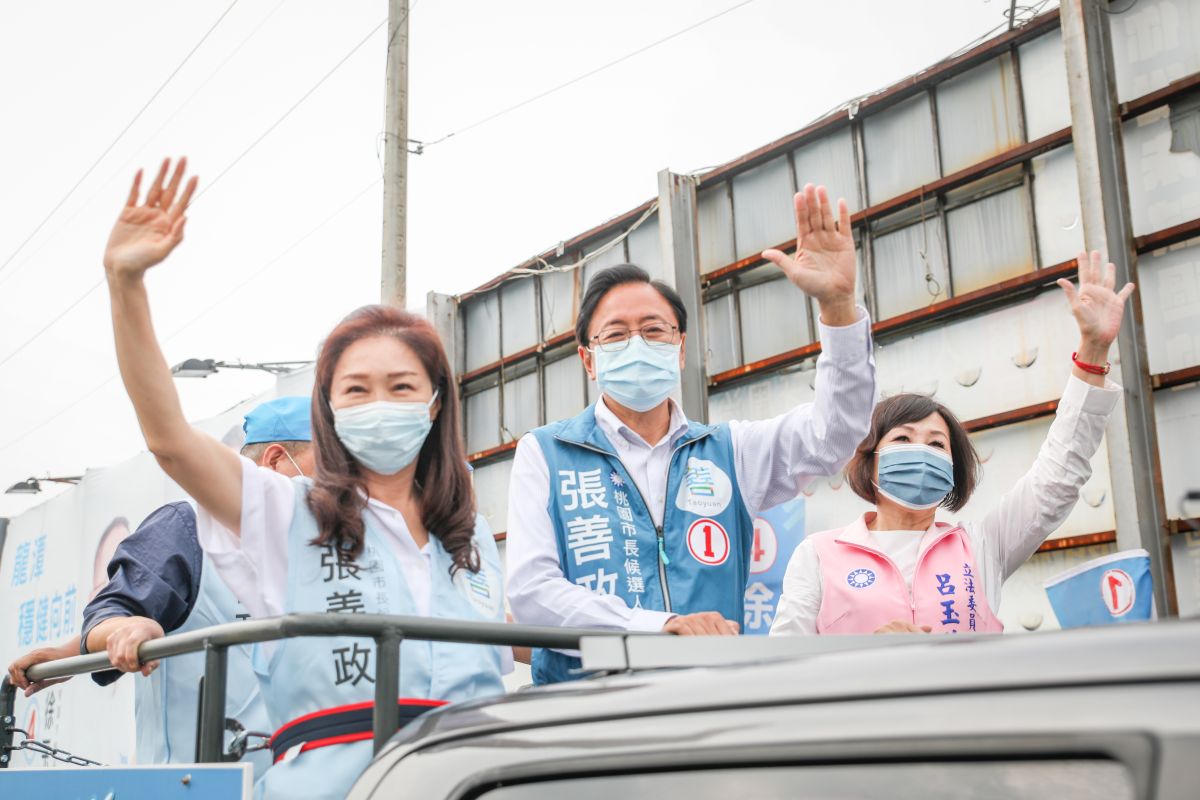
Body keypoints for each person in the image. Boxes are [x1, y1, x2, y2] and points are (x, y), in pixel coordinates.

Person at [99, 158, 508, 800]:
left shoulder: (472, 539)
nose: (380, 403)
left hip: (472, 781)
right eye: (357, 389)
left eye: (401, 387)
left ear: (435, 404)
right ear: (329, 407)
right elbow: (170, 442)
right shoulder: (283, 513)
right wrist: (126, 285)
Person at [506, 184, 877, 684]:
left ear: (680, 350)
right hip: (583, 711)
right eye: (615, 334)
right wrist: (659, 628)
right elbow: (532, 593)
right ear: (588, 359)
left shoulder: (731, 450)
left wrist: (838, 308)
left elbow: (834, 436)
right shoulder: (546, 452)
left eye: (655, 329)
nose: (637, 342)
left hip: (707, 703)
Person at [769, 251, 1133, 636]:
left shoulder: (982, 546)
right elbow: (787, 664)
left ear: (954, 468)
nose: (921, 452)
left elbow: (1057, 477)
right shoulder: (819, 555)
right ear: (869, 459)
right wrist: (867, 660)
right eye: (903, 438)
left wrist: (1093, 352)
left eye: (937, 444)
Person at [6, 396, 315, 781]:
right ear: (274, 460)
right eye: (332, 466)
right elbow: (120, 609)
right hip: (202, 786)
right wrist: (118, 632)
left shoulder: (333, 544)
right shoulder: (188, 526)